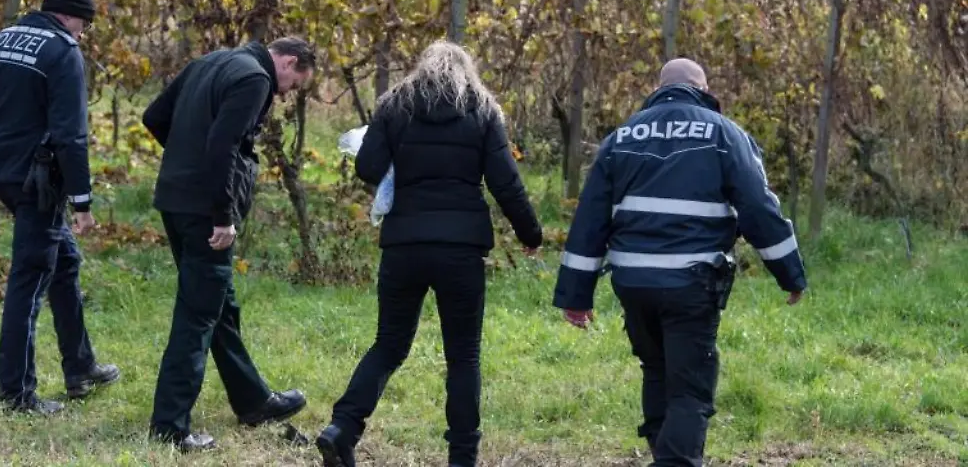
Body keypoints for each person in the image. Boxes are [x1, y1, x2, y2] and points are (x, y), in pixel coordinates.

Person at [552, 58, 807, 466]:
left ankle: (664, 454)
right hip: (692, 281)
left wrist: (576, 296)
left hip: (633, 281)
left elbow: (589, 220)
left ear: (659, 89)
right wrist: (789, 273)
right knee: (690, 390)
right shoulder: (723, 134)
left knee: (656, 369)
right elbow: (759, 208)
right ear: (703, 90)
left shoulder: (622, 138)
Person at [315, 40, 544, 467]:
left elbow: (367, 168)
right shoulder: (482, 110)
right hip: (461, 249)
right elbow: (505, 182)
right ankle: (462, 457)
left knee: (389, 344)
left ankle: (342, 427)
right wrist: (530, 232)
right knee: (463, 356)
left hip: (404, 245)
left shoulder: (394, 106)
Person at [0, 0, 120, 415]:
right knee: (30, 278)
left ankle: (80, 367)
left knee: (65, 261)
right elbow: (71, 136)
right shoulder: (62, 52)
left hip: (1, 174)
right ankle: (16, 393)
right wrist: (82, 200)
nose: (83, 35)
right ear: (71, 17)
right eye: (84, 26)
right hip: (38, 181)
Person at [141, 36, 316, 452]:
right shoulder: (255, 79)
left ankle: (253, 400)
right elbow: (222, 145)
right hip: (205, 212)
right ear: (288, 62)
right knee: (197, 315)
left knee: (220, 303)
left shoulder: (210, 62)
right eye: (292, 84)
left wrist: (185, 160)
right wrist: (222, 215)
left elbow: (154, 116)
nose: (284, 94)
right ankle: (169, 426)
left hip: (175, 199)